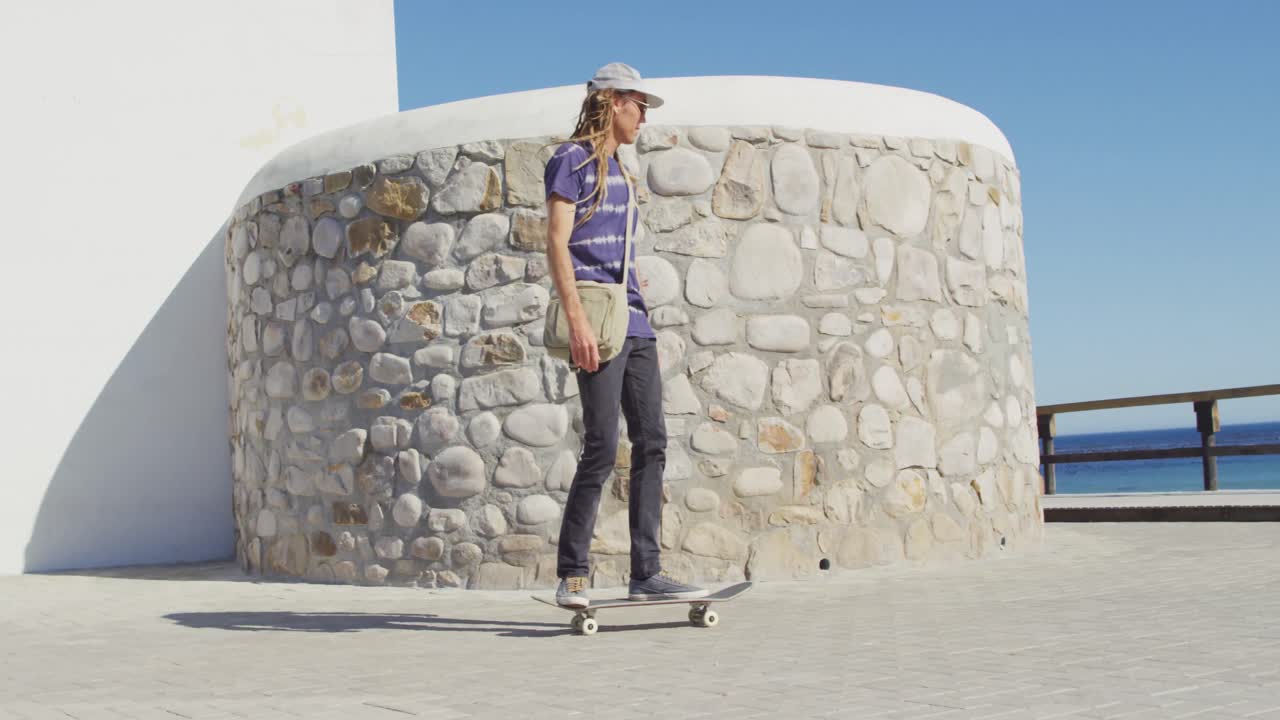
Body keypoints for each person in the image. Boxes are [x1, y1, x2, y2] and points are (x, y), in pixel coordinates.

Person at [544, 63, 708, 608]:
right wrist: (577, 321)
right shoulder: (571, 161)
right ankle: (573, 573)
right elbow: (557, 242)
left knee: (653, 441)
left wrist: (642, 301)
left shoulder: (623, 170)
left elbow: (625, 253)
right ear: (612, 102)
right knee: (601, 446)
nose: (644, 116)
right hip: (596, 320)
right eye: (639, 104)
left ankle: (647, 571)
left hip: (635, 322)